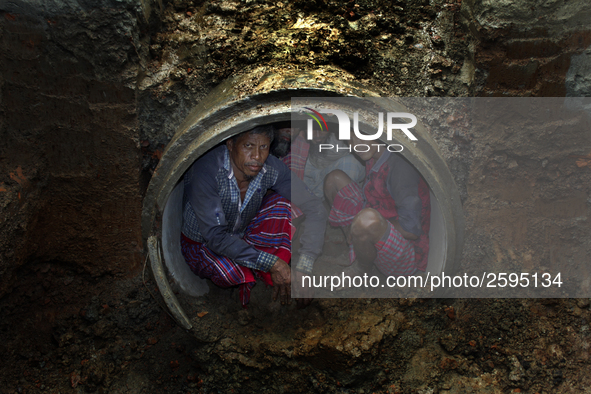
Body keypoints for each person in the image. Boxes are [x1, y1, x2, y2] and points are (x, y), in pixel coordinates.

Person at [180, 125, 326, 308]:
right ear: (230, 144)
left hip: (243, 232)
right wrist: (273, 263)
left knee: (283, 203)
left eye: (263, 147)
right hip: (204, 243)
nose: (257, 156)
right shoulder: (207, 169)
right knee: (231, 272)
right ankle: (254, 289)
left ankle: (266, 270)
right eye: (248, 146)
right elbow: (215, 237)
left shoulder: (271, 168)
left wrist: (305, 266)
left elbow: (314, 206)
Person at [323, 132, 431, 279]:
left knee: (365, 220)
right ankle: (357, 252)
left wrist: (359, 227)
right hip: (378, 224)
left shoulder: (400, 167)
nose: (356, 145)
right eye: (350, 139)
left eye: (362, 135)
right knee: (334, 179)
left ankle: (362, 270)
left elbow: (411, 230)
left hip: (406, 252)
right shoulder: (375, 155)